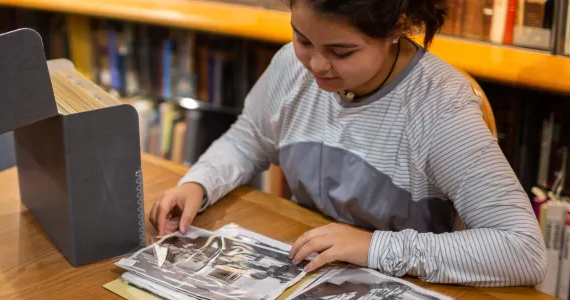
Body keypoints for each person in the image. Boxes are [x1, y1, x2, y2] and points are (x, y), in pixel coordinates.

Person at [148, 0, 547, 287]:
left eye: (341, 52)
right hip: (313, 267)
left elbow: (522, 251)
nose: (316, 65)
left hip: (408, 279)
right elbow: (251, 138)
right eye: (303, 39)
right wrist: (199, 183)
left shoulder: (440, 107)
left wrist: (375, 247)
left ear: (397, 29)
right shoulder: (292, 65)